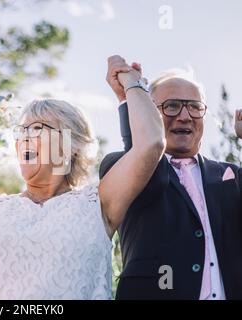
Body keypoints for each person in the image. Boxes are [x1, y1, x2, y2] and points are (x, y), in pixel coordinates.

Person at [0, 55, 165, 299]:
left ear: (72, 145)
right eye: (22, 130)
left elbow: (151, 144)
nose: (24, 137)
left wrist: (130, 84)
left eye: (38, 128)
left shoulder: (98, 203)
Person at [100, 64, 242, 299]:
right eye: (172, 106)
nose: (185, 116)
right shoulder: (119, 166)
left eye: (195, 107)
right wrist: (131, 93)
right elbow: (145, 154)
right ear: (149, 114)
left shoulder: (232, 175)